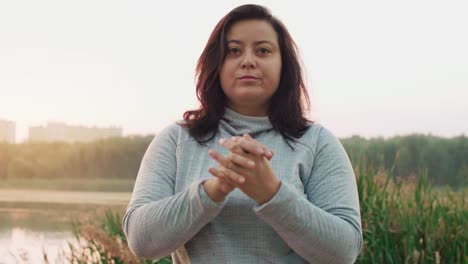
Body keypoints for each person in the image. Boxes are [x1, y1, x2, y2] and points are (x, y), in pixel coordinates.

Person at [122, 4, 362, 263]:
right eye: (234, 50)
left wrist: (272, 193)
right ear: (216, 63)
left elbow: (344, 251)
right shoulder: (176, 140)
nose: (248, 60)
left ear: (284, 64)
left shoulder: (317, 142)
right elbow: (141, 240)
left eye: (263, 50)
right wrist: (214, 190)